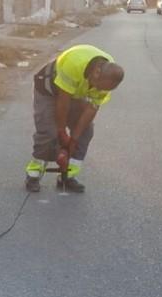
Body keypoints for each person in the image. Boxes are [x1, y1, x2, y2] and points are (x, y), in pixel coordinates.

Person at [24, 43, 124, 192]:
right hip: (48, 90)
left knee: (86, 131)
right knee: (49, 133)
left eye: (102, 90)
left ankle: (68, 175)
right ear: (96, 72)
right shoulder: (75, 63)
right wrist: (62, 131)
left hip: (76, 93)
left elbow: (91, 109)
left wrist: (74, 140)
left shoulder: (107, 78)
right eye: (97, 86)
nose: (98, 91)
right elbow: (63, 101)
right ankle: (33, 173)